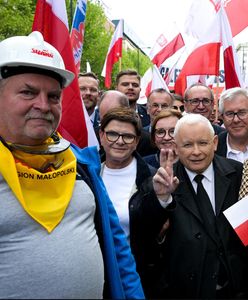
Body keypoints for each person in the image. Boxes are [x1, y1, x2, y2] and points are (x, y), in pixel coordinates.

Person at [0, 31, 145, 299]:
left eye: (54, 96)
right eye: (28, 92)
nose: (43, 105)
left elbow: (119, 252)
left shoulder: (81, 165)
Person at [153, 113, 248, 298]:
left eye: (203, 143)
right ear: (176, 147)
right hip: (186, 290)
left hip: (235, 288)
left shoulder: (239, 174)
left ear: (214, 143)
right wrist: (162, 198)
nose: (196, 152)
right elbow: (147, 237)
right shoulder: (161, 181)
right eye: (188, 145)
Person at [99, 107, 172, 298]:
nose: (120, 141)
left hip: (138, 276)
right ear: (101, 135)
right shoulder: (87, 176)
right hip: (95, 274)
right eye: (112, 134)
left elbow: (156, 233)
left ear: (137, 141)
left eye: (128, 136)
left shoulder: (152, 177)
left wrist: (162, 199)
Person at [98, 90, 157, 158]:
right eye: (103, 120)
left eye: (112, 118)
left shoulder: (147, 142)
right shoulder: (92, 137)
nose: (120, 141)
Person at [216, 87, 248, 163]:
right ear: (222, 117)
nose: (236, 120)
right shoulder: (213, 149)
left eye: (242, 112)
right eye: (229, 114)